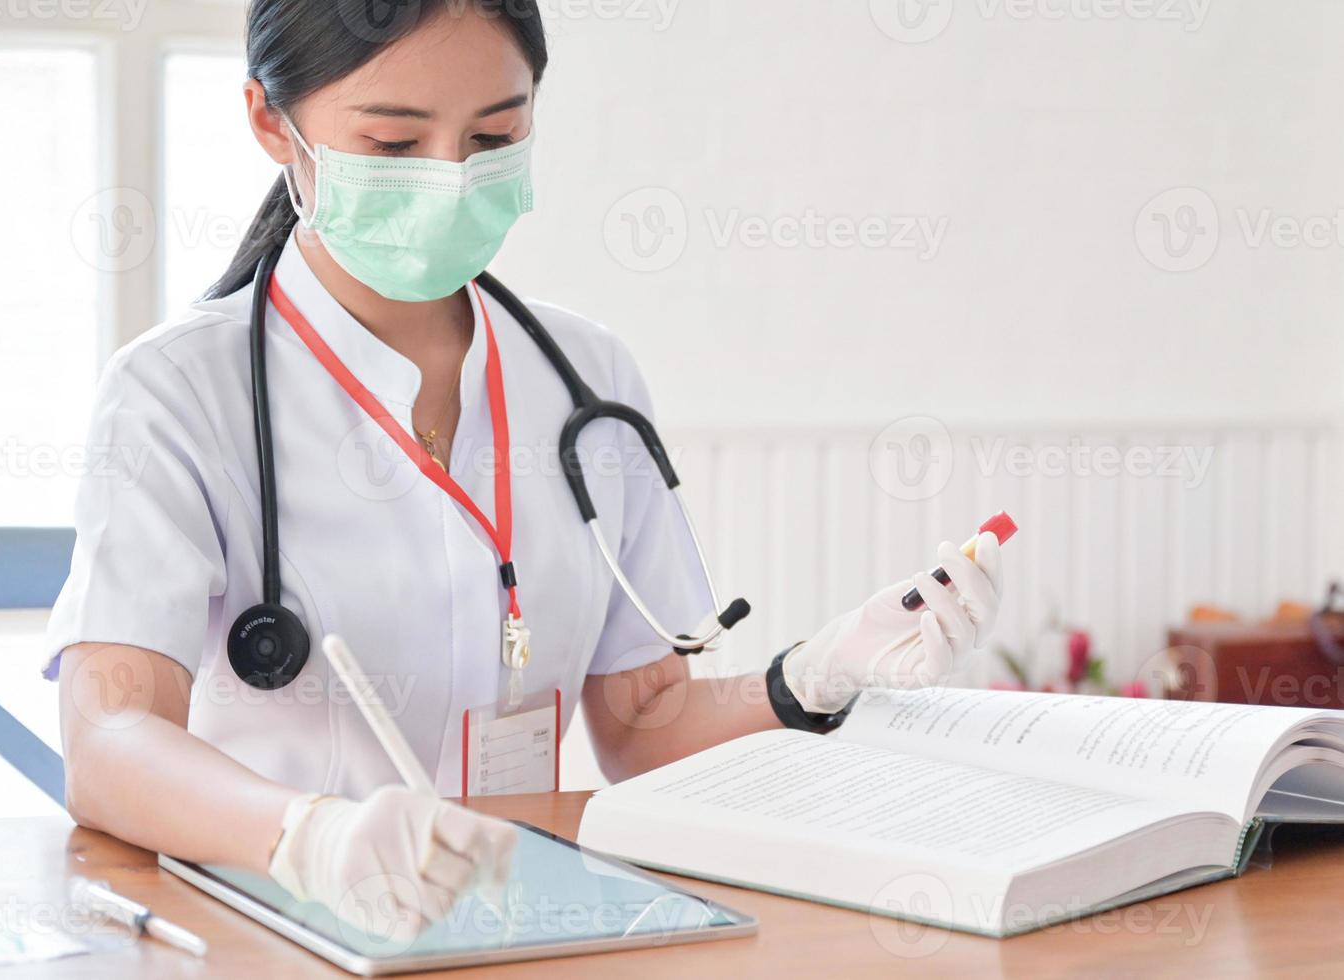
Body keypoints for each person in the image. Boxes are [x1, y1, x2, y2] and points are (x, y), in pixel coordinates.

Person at [48, 0, 1003, 937]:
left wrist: (816, 674)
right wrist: (307, 835)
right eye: (393, 145)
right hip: (271, 927)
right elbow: (110, 741)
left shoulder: (587, 378)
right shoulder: (177, 393)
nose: (451, 180)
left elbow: (643, 727)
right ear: (272, 121)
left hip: (530, 927)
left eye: (493, 137)